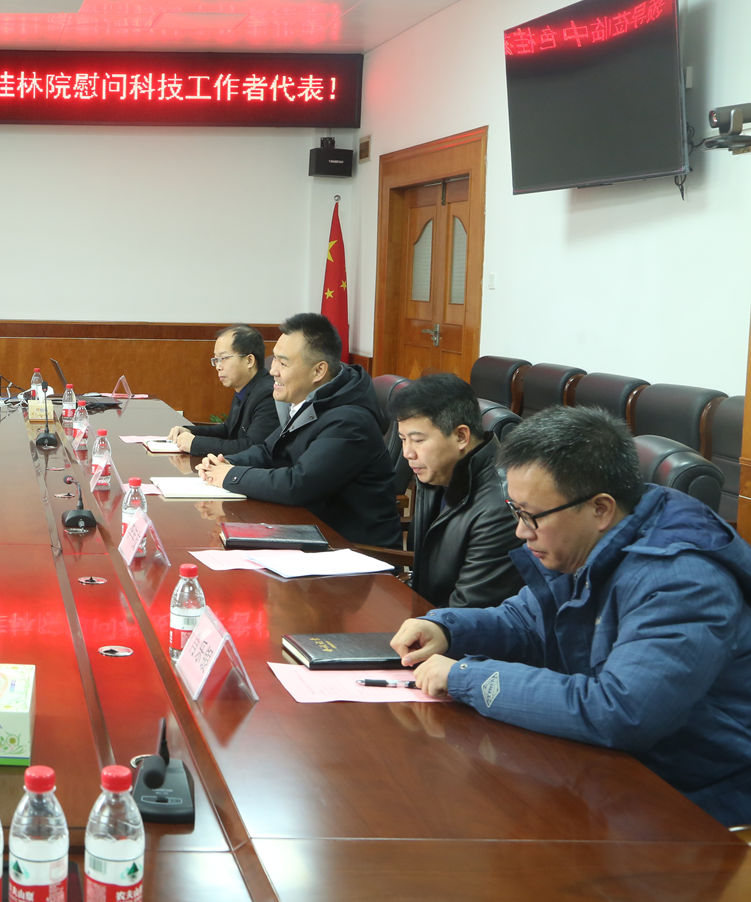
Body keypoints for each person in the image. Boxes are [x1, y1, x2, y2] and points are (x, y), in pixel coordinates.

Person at [391, 407, 751, 825]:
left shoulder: (681, 580)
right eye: (515, 511)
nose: (521, 531)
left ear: (600, 508)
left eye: (531, 516)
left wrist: (466, 677)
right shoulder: (592, 543)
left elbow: (620, 711)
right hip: (614, 772)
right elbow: (525, 621)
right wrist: (445, 627)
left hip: (698, 802)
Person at [198, 313, 401, 547]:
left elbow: (299, 485)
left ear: (318, 371)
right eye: (275, 359)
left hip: (351, 552)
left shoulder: (349, 420)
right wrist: (225, 463)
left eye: (283, 363)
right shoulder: (314, 400)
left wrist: (230, 475)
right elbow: (268, 450)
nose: (273, 371)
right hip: (308, 533)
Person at [390, 373, 523, 608]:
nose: (407, 453)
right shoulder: (435, 474)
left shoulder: (501, 508)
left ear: (461, 436)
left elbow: (470, 610)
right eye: (403, 439)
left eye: (418, 440)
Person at [167, 324, 278, 457]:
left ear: (249, 360)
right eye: (216, 359)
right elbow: (228, 430)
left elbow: (252, 448)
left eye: (223, 358)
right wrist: (189, 431)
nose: (218, 367)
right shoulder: (245, 388)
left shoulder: (267, 394)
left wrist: (195, 443)